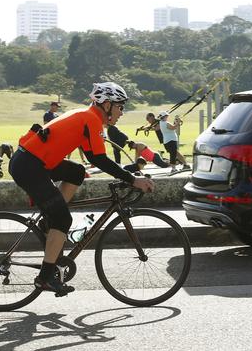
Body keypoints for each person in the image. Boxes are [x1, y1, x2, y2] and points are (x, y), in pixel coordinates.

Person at [9, 82, 155, 296]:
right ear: (106, 104)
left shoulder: (87, 116)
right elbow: (99, 159)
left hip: (34, 161)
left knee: (76, 172)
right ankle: (46, 277)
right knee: (63, 220)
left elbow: (91, 157)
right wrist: (132, 179)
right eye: (120, 107)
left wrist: (128, 176)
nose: (122, 112)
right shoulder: (90, 119)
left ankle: (50, 221)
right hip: (30, 166)